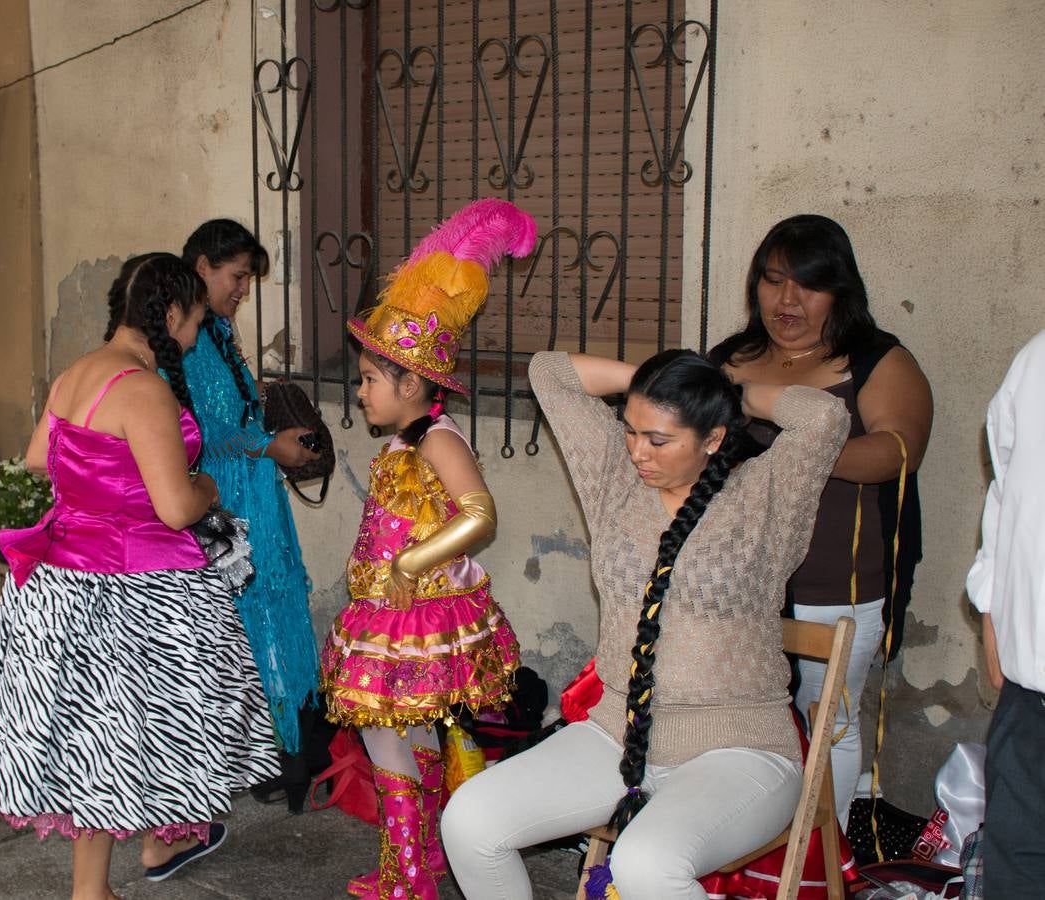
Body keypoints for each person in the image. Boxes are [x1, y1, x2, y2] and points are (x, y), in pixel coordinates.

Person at [442, 348, 850, 900]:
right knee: (470, 820)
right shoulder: (615, 476)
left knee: (645, 866)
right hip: (616, 736)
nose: (638, 451)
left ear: (712, 437)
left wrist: (729, 388)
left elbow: (825, 417)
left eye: (659, 439)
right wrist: (659, 387)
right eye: (632, 430)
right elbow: (549, 373)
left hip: (738, 749)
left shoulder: (766, 495)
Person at [0, 253, 279, 900]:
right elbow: (175, 507)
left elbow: (34, 459)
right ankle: (111, 877)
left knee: (95, 745)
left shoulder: (77, 373)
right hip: (134, 594)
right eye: (193, 320)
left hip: (61, 585)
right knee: (131, 739)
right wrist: (208, 486)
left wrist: (101, 489)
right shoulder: (143, 389)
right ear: (166, 315)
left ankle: (105, 880)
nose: (194, 337)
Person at [321, 198, 533, 899]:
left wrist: (411, 563)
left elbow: (479, 515)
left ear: (412, 383)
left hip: (418, 613)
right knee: (405, 739)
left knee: (388, 738)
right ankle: (421, 864)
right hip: (391, 611)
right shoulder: (400, 442)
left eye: (370, 380)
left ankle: (410, 879)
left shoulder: (439, 439)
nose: (361, 392)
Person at [709, 214, 932, 828]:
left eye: (807, 284)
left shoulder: (876, 362)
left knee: (824, 716)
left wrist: (801, 444)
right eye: (773, 280)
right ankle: (746, 850)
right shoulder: (731, 359)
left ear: (840, 290)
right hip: (737, 578)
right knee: (737, 710)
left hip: (836, 582)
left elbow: (897, 454)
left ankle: (817, 859)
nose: (787, 300)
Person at [180, 219, 321, 811]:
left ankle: (290, 753)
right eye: (236, 276)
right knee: (239, 625)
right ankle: (259, 754)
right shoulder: (180, 339)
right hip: (224, 501)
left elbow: (230, 415)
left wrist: (266, 423)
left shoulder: (216, 329)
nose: (243, 289)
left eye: (247, 279)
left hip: (254, 495)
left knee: (274, 610)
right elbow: (199, 434)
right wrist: (269, 446)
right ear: (201, 267)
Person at [967, 329, 1045, 899]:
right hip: (1030, 694)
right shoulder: (1037, 358)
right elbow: (1004, 491)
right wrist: (992, 612)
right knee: (1017, 864)